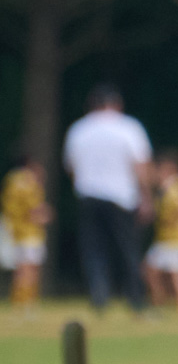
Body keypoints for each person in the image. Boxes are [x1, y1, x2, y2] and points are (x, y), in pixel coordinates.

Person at [64, 83, 153, 311]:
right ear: (116, 104)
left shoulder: (78, 129)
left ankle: (99, 296)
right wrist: (146, 197)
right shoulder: (128, 127)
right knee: (127, 248)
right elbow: (140, 166)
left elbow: (71, 166)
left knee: (93, 249)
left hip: (88, 195)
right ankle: (135, 297)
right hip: (121, 197)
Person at [143, 147, 178, 310]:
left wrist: (170, 219)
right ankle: (162, 302)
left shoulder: (176, 186)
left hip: (176, 238)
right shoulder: (169, 187)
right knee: (152, 270)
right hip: (167, 238)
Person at [2, 153, 51, 309]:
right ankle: (27, 302)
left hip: (13, 230)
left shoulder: (10, 180)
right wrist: (44, 215)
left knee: (20, 268)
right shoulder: (28, 182)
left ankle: (18, 301)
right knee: (29, 268)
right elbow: (33, 209)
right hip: (30, 232)